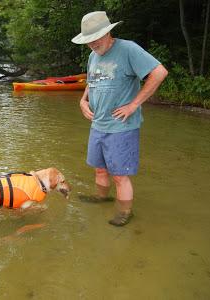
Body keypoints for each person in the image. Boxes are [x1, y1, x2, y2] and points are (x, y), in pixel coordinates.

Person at [71, 11, 168, 226]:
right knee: (99, 168)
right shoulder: (92, 55)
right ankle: (102, 197)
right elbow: (91, 80)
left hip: (121, 127)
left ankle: (125, 212)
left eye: (95, 38)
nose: (92, 44)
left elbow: (159, 72)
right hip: (98, 124)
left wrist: (134, 105)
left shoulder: (128, 49)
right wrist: (83, 101)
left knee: (119, 176)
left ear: (108, 32)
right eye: (88, 40)